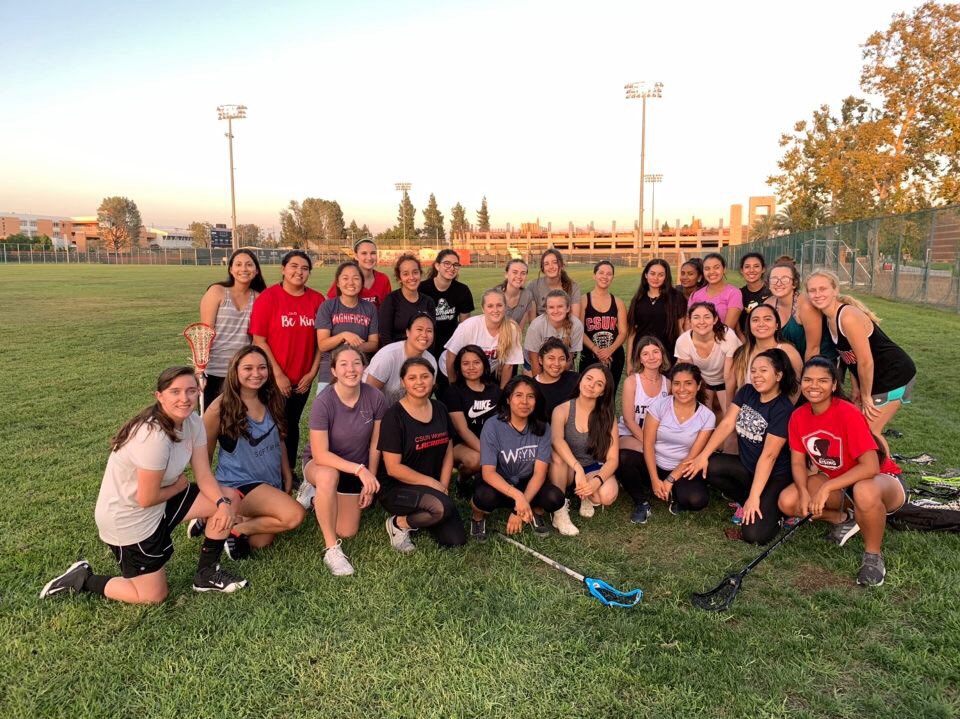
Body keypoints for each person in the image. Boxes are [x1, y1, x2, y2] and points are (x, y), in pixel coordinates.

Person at [40, 367, 247, 604]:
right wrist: (180, 487)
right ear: (159, 396)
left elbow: (203, 473)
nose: (185, 398)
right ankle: (83, 578)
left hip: (163, 499)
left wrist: (221, 504)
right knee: (153, 596)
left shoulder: (193, 422)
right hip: (130, 517)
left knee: (228, 497)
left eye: (191, 391)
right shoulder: (152, 436)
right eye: (175, 392)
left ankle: (206, 574)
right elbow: (146, 498)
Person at [779, 357, 908, 587]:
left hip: (882, 481)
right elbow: (798, 462)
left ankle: (873, 557)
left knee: (864, 490)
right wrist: (804, 491)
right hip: (841, 483)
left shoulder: (847, 413)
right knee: (789, 502)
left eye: (822, 381)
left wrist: (827, 486)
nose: (814, 386)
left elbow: (870, 467)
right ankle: (845, 518)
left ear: (834, 385)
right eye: (808, 380)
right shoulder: (798, 416)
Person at [679, 349, 797, 545]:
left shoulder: (783, 409)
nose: (757, 376)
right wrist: (703, 455)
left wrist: (755, 497)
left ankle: (777, 511)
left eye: (763, 370)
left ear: (778, 375)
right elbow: (726, 424)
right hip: (749, 467)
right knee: (710, 465)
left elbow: (769, 457)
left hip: (775, 476)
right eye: (753, 370)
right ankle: (748, 498)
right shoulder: (747, 392)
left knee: (754, 536)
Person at [201, 346, 306, 560]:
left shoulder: (272, 398)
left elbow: (280, 440)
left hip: (269, 481)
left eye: (262, 368)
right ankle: (230, 525)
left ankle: (233, 520)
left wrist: (286, 473)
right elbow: (204, 457)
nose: (256, 374)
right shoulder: (219, 408)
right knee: (294, 515)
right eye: (248, 368)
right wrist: (212, 497)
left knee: (261, 542)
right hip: (238, 483)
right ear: (235, 371)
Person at [805, 269, 916, 457]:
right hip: (874, 376)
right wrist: (856, 389)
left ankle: (889, 477)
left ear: (835, 290)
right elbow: (851, 359)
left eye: (822, 289)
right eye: (812, 290)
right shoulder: (829, 319)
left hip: (894, 374)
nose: (817, 294)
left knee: (870, 432)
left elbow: (865, 361)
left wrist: (866, 396)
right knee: (854, 428)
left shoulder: (847, 316)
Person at [301, 345, 387, 576]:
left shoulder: (376, 397)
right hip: (322, 464)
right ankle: (331, 549)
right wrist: (361, 470)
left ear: (364, 366)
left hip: (354, 470)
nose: (351, 369)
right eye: (344, 364)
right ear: (334, 371)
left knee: (347, 530)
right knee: (328, 476)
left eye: (356, 363)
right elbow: (320, 455)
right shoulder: (324, 401)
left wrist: (369, 483)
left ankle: (318, 498)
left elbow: (375, 445)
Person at [378, 357, 466, 551]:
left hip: (431, 486)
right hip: (397, 488)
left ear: (433, 380)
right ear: (403, 382)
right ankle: (399, 524)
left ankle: (424, 513)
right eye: (412, 377)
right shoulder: (394, 416)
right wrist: (433, 484)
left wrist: (443, 484)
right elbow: (393, 468)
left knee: (456, 540)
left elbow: (448, 451)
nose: (419, 382)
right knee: (442, 508)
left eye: (425, 376)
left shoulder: (440, 408)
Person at [249, 250, 324, 475]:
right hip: (274, 378)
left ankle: (289, 471)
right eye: (294, 266)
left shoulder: (317, 300)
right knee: (272, 425)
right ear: (283, 269)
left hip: (302, 378)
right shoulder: (269, 298)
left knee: (292, 425)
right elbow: (259, 340)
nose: (298, 272)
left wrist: (311, 373)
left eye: (304, 268)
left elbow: (321, 343)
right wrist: (278, 374)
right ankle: (267, 472)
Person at [471, 376, 563, 541]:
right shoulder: (492, 426)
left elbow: (540, 474)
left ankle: (535, 510)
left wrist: (517, 510)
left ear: (536, 401)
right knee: (483, 496)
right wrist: (518, 497)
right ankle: (477, 518)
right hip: (500, 483)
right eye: (518, 395)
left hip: (527, 482)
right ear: (508, 399)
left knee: (555, 498)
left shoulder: (543, 427)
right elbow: (488, 473)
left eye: (530, 396)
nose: (524, 402)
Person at [549, 365, 620, 535]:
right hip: (567, 467)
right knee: (557, 457)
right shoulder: (562, 409)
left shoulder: (607, 416)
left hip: (591, 466)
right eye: (588, 378)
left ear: (603, 391)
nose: (591, 385)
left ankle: (585, 495)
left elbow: (613, 459)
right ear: (581, 380)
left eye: (599, 384)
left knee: (607, 495)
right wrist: (577, 468)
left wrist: (597, 480)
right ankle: (559, 512)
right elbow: (556, 440)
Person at [642, 363, 716, 514]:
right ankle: (643, 497)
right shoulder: (659, 405)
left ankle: (672, 490)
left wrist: (670, 480)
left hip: (681, 469)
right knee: (625, 458)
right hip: (655, 463)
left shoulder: (707, 416)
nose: (682, 389)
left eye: (688, 383)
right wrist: (655, 479)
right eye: (677, 383)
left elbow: (692, 456)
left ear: (698, 385)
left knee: (697, 500)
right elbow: (648, 444)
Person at [198, 248, 266, 408]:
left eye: (249, 265)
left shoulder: (260, 298)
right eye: (239, 264)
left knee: (238, 418)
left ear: (256, 271)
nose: (244, 269)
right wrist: (199, 368)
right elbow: (205, 331)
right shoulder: (217, 292)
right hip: (214, 368)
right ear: (231, 269)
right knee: (213, 418)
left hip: (242, 370)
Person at [616, 336, 671, 524]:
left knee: (666, 455)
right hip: (631, 434)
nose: (651, 357)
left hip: (657, 437)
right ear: (639, 358)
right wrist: (649, 443)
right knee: (632, 453)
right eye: (645, 354)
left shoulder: (668, 384)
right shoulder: (632, 381)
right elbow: (630, 420)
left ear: (662, 355)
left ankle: (661, 485)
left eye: (656, 352)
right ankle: (641, 501)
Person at [315, 260, 379, 393]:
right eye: (345, 278)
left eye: (356, 278)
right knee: (326, 410)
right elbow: (322, 345)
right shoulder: (327, 306)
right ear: (338, 283)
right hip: (330, 370)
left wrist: (354, 346)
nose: (351, 282)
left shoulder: (370, 308)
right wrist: (343, 335)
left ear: (362, 283)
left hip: (359, 369)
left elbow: (374, 344)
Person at [441, 288, 524, 389]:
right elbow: (450, 356)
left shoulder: (511, 329)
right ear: (483, 308)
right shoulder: (470, 326)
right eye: (490, 306)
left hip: (480, 373)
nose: (495, 310)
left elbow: (509, 365)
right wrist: (454, 386)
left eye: (499, 305)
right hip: (451, 371)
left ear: (505, 307)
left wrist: (502, 394)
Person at [419, 249, 474, 396]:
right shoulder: (423, 289)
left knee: (447, 391)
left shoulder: (462, 290)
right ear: (437, 266)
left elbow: (464, 326)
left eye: (455, 265)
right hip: (426, 344)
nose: (452, 268)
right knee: (424, 389)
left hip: (449, 346)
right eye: (447, 264)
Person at [444, 345, 501, 484]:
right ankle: (462, 480)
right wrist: (487, 452)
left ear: (484, 364)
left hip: (489, 441)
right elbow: (462, 430)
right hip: (459, 444)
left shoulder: (494, 389)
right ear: (459, 367)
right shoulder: (454, 392)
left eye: (476, 362)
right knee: (477, 460)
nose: (471, 367)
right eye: (466, 363)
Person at [674, 301, 742, 414]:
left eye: (707, 317)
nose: (701, 322)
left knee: (730, 416)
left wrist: (729, 406)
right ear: (689, 321)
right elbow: (692, 375)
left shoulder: (727, 336)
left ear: (715, 320)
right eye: (696, 317)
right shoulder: (683, 341)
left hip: (727, 380)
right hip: (703, 380)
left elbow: (729, 376)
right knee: (703, 414)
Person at [765, 259, 837, 361]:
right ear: (768, 284)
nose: (778, 283)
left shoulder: (805, 306)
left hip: (820, 361)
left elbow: (813, 348)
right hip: (793, 361)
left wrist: (804, 375)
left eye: (785, 279)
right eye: (774, 279)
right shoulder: (768, 305)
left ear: (794, 283)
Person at [365, 313, 438, 406]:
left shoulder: (431, 361)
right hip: (378, 410)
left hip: (406, 412)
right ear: (408, 332)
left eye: (429, 331)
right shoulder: (388, 355)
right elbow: (369, 393)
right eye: (419, 329)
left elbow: (424, 397)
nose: (424, 334)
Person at [730, 304, 803, 397]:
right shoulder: (742, 353)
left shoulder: (788, 351)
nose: (761, 324)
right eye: (755, 320)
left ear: (777, 325)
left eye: (767, 319)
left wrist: (782, 411)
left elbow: (796, 389)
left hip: (777, 410)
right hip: (746, 408)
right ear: (749, 325)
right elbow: (734, 387)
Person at [626, 259, 685, 369]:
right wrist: (629, 362)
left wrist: (680, 356)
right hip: (643, 355)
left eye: (661, 275)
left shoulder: (676, 297)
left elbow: (681, 330)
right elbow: (632, 332)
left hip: (668, 354)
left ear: (666, 277)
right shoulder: (638, 298)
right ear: (646, 275)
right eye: (652, 273)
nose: (656, 278)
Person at [579, 260, 628, 391]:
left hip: (614, 356)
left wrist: (609, 350)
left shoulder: (618, 303)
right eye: (601, 273)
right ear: (594, 275)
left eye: (609, 274)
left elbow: (623, 332)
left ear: (612, 277)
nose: (605, 277)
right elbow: (579, 331)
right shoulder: (584, 300)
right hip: (589, 355)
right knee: (588, 393)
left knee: (609, 395)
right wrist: (596, 349)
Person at [378, 253, 436, 345]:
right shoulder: (391, 301)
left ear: (420, 274)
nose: (412, 277)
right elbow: (385, 336)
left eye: (415, 272)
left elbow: (431, 336)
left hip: (421, 355)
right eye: (406, 274)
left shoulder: (428, 302)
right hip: (396, 354)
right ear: (399, 278)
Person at [524, 290, 584, 375]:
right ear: (546, 310)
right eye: (551, 307)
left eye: (560, 306)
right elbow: (534, 360)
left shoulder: (576, 325)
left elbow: (569, 359)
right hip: (535, 363)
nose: (555, 311)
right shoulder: (536, 326)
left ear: (568, 308)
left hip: (560, 363)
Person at [326, 238, 391, 308]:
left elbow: (388, 307)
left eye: (373, 253)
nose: (369, 258)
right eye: (364, 253)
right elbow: (328, 302)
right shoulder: (346, 278)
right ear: (356, 256)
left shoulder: (383, 279)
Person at [688, 253, 743, 332]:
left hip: (723, 340)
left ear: (724, 269)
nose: (712, 272)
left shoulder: (733, 293)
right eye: (707, 269)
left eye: (716, 268)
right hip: (698, 341)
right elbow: (690, 325)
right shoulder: (695, 295)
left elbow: (728, 329)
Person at [532, 338, 581, 420]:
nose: (557, 364)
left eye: (562, 359)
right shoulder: (532, 387)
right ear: (541, 360)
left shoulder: (576, 379)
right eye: (551, 358)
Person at [530, 248, 581, 315]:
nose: (551, 267)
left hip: (566, 325)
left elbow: (575, 318)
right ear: (543, 268)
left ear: (561, 265)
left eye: (555, 262)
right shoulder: (533, 286)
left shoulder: (573, 287)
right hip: (541, 325)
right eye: (546, 264)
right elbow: (532, 321)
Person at [738, 252, 772, 334]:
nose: (751, 270)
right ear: (742, 270)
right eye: (747, 267)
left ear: (763, 269)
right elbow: (737, 327)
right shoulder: (738, 294)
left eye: (756, 266)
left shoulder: (772, 293)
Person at [499, 258, 536, 330]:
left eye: (523, 273)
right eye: (515, 272)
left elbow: (519, 329)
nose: (519, 276)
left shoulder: (527, 296)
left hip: (514, 338)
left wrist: (515, 340)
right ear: (506, 274)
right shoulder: (494, 295)